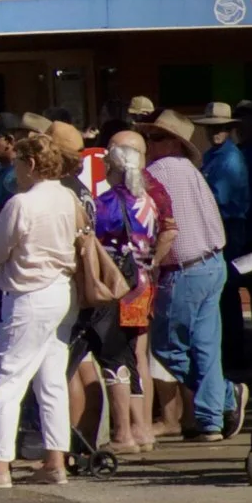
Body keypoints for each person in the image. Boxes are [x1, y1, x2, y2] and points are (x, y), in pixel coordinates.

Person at [0, 132, 80, 486]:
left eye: (17, 162)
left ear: (29, 164)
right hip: (63, 290)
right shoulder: (68, 197)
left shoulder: (21, 204)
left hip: (28, 293)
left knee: (7, 382)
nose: (13, 169)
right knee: (52, 381)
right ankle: (54, 461)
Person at [144, 110, 242, 441]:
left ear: (174, 143)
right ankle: (211, 420)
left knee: (166, 347)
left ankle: (225, 396)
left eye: (156, 138)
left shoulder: (156, 173)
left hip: (184, 270)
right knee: (205, 348)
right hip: (213, 262)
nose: (149, 144)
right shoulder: (193, 170)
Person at [87, 132, 159, 459]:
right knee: (134, 354)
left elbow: (93, 242)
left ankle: (122, 432)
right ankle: (142, 429)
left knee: (115, 357)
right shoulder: (148, 202)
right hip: (145, 283)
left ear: (113, 168)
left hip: (120, 285)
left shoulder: (106, 205)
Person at [198, 103, 251, 382]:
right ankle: (230, 349)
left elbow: (219, 200)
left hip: (229, 227)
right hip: (219, 226)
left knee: (227, 291)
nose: (215, 132)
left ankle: (233, 351)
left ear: (229, 129)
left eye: (220, 127)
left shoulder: (229, 159)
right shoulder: (213, 156)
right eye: (211, 127)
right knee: (223, 292)